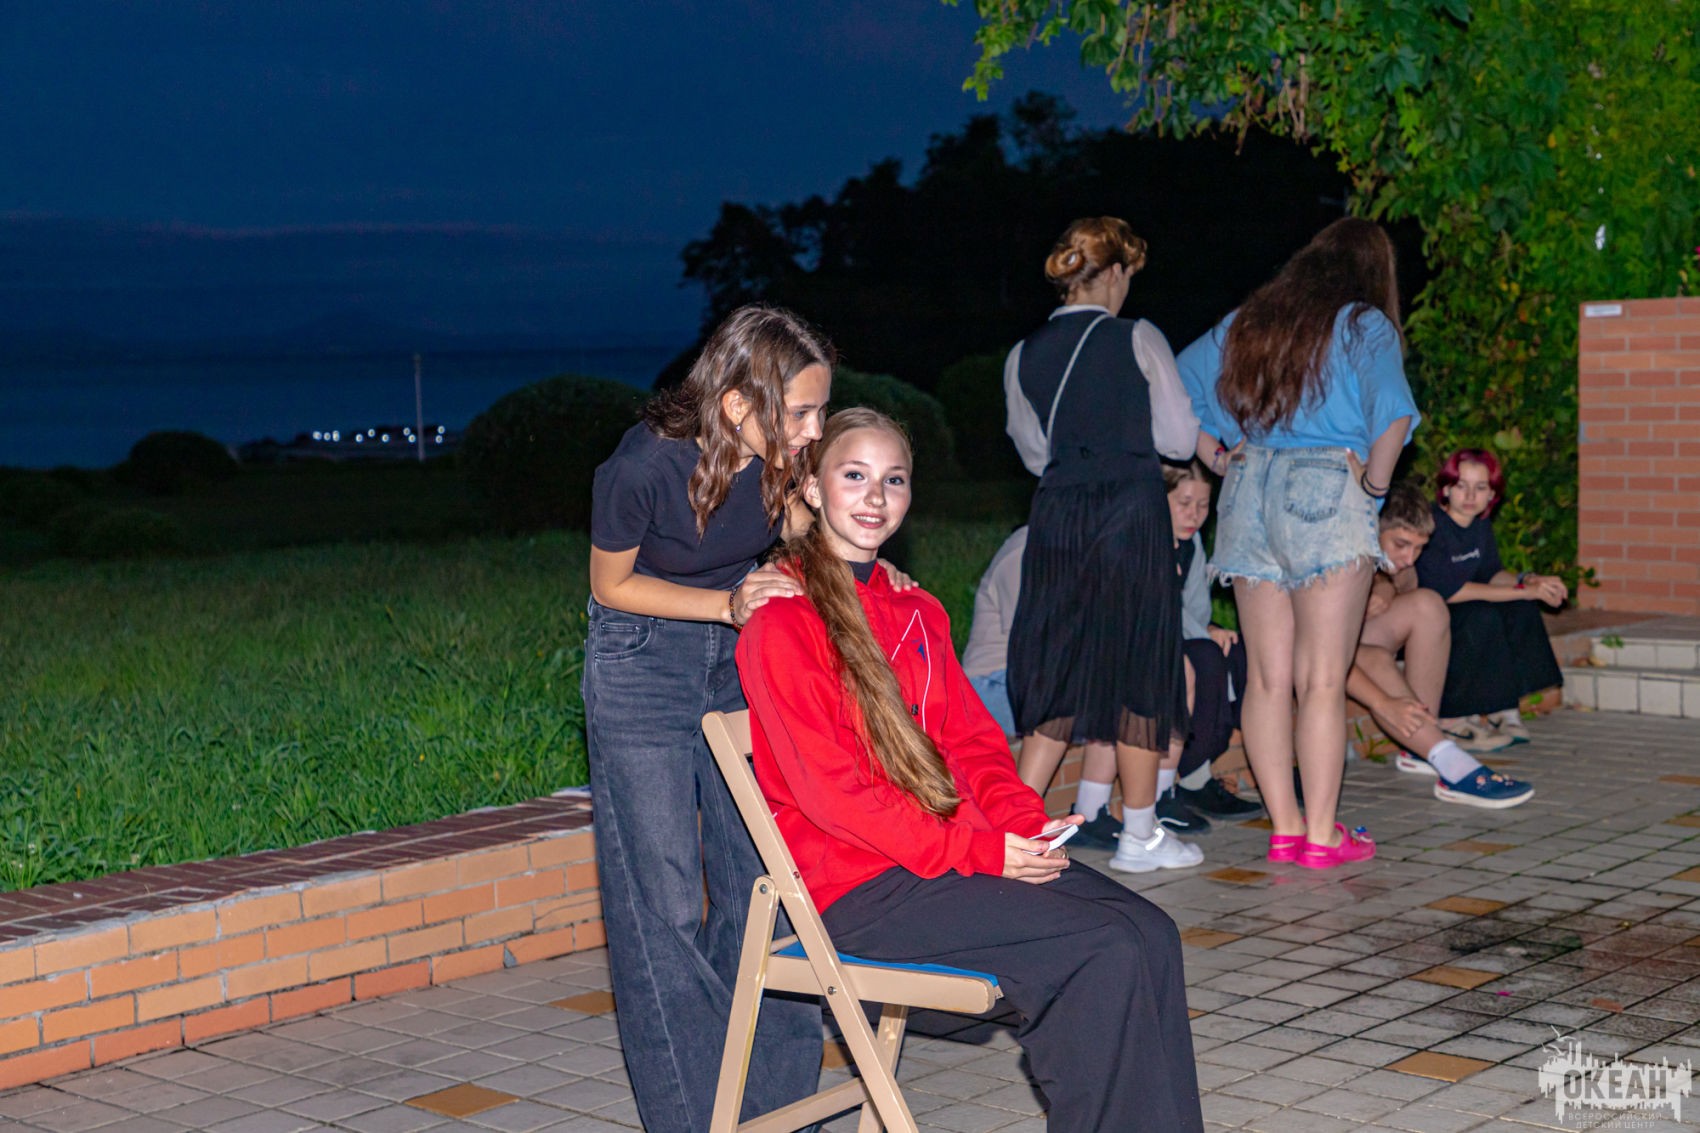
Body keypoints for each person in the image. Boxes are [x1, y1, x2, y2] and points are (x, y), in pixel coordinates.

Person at [737, 408, 1204, 1133]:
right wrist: (981, 851)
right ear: (812, 487)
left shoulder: (916, 610)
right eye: (854, 475)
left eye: (894, 480)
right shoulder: (783, 621)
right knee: (1101, 952)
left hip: (943, 859)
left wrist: (1024, 827)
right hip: (861, 889)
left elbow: (973, 744)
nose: (875, 496)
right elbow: (834, 795)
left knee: (1150, 931)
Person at [583, 305, 835, 1132]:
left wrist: (829, 526)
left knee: (761, 883)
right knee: (662, 906)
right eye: (800, 411)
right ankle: (693, 1117)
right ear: (736, 403)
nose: (814, 428)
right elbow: (611, 585)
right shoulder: (642, 466)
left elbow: (799, 537)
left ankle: (778, 1106)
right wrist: (725, 604)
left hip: (737, 653)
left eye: (821, 410)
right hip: (642, 663)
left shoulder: (779, 459)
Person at [1177, 217, 1419, 870]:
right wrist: (1374, 484)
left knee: (1266, 678)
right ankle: (1319, 836)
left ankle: (1283, 828)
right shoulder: (1364, 324)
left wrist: (1218, 456)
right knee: (1321, 680)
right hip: (1326, 487)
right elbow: (1394, 414)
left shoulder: (1252, 320)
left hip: (1248, 487)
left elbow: (1175, 383)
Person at [1002, 216, 1207, 873]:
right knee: (1139, 661)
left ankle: (1010, 828)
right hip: (1127, 511)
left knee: (1058, 663)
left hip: (1059, 515)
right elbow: (1177, 439)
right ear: (1115, 272)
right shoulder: (1136, 336)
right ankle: (1139, 834)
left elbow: (1034, 452)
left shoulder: (1022, 353)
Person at [1348, 482, 1535, 807]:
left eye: (1419, 548)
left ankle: (1421, 745)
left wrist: (1386, 584)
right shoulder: (1341, 550)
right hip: (1317, 653)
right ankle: (1452, 765)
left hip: (1358, 638)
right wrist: (1382, 702)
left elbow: (1409, 582)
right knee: (1375, 659)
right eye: (1401, 545)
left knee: (1429, 605)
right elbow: (1321, 654)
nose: (1409, 557)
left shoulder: (1399, 561)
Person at [960, 526, 1125, 849]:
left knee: (1119, 684)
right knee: (1060, 697)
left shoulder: (1085, 547)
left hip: (1035, 679)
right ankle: (1018, 825)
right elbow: (1037, 645)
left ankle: (1091, 813)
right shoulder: (1024, 552)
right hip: (991, 683)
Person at [1415, 448, 1566, 745]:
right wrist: (1521, 590)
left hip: (1461, 607)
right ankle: (1453, 717)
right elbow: (1451, 591)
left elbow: (1491, 573)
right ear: (1446, 489)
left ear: (1492, 494)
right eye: (1462, 485)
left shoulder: (1479, 525)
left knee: (1521, 607)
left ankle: (1502, 708)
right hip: (1429, 617)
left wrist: (1528, 583)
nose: (1470, 495)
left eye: (1480, 487)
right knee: (1480, 616)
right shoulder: (1433, 525)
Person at [1164, 460, 1264, 830]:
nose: (1194, 515)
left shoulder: (1190, 544)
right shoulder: (1148, 541)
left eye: (1203, 505)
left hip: (1179, 634)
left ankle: (1263, 763)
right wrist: (1203, 632)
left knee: (1236, 650)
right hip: (1144, 643)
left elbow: (1195, 609)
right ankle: (1191, 778)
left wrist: (1208, 628)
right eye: (1184, 503)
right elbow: (1157, 608)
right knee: (1207, 655)